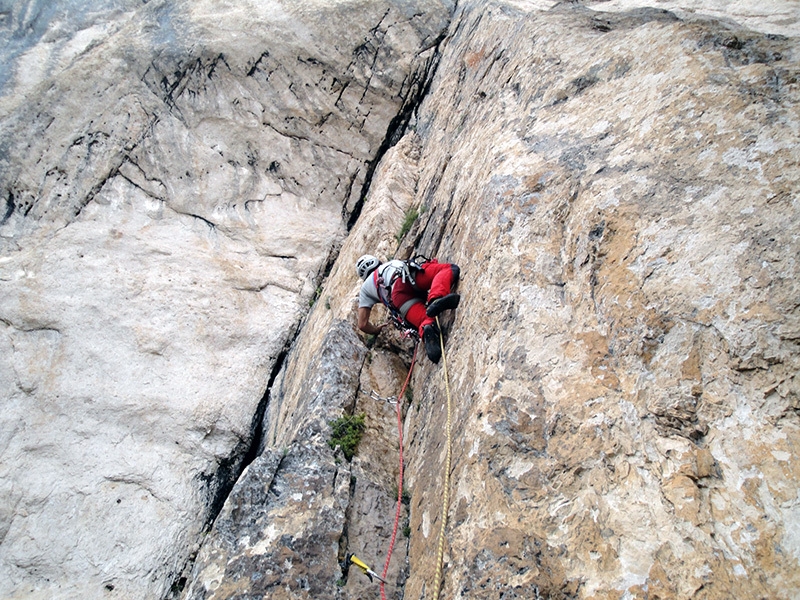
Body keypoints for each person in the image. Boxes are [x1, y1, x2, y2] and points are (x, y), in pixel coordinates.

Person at [355, 254, 460, 363]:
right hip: (408, 277)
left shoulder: (365, 289)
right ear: (377, 262)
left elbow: (362, 324)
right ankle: (436, 298)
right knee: (448, 269)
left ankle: (427, 328)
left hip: (399, 298)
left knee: (425, 319)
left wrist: (376, 330)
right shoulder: (392, 263)